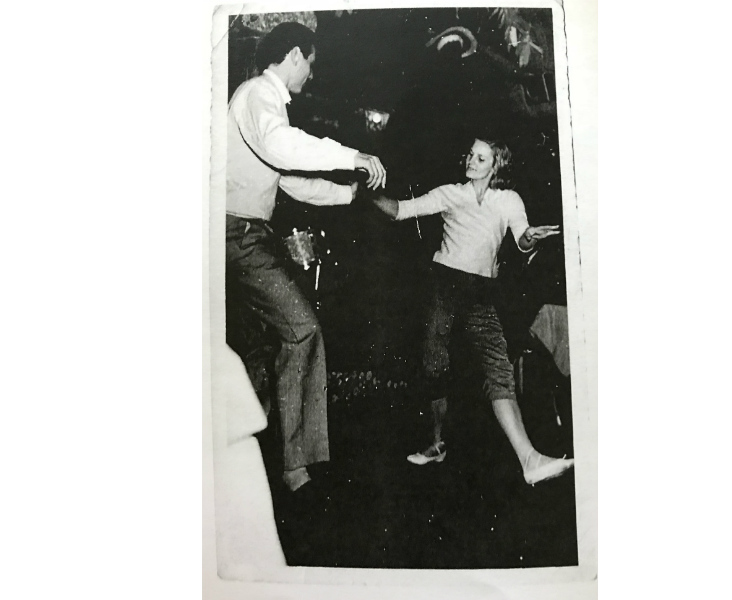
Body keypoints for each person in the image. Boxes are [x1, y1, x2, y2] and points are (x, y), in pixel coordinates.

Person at [226, 22, 387, 493]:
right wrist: (353, 156)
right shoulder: (259, 93)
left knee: (262, 346)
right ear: (295, 54)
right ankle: (296, 467)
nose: (311, 75)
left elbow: (289, 180)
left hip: (242, 233)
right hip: (239, 234)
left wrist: (347, 195)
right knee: (302, 330)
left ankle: (256, 457)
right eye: (310, 64)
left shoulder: (260, 102)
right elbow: (284, 147)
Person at [372, 137, 573, 486]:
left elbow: (522, 239)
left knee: (498, 370)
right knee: (435, 365)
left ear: (496, 165)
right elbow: (401, 210)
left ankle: (530, 460)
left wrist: (531, 238)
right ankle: (437, 443)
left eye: (481, 158)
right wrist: (364, 194)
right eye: (470, 155)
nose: (471, 161)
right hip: (444, 285)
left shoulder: (508, 200)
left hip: (482, 292)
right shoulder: (451, 193)